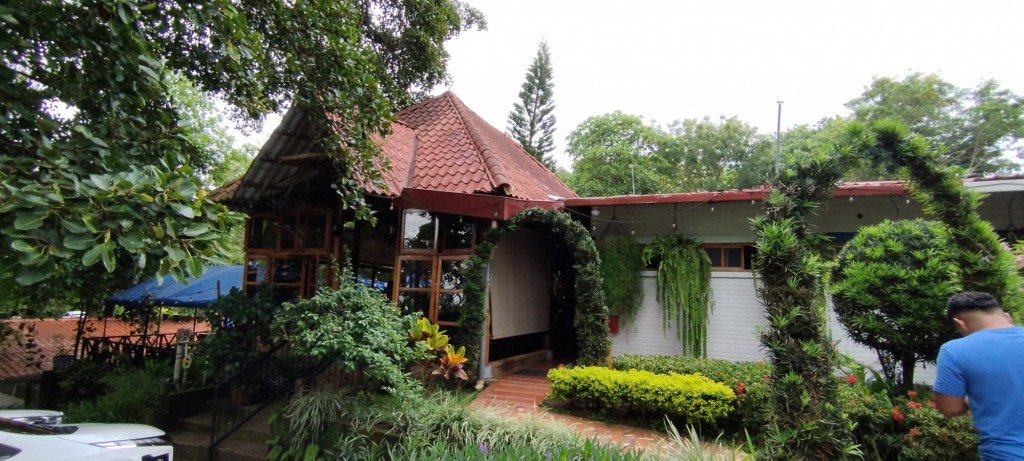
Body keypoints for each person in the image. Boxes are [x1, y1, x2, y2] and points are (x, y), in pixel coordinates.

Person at [933, 291, 1024, 460]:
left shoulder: (954, 351)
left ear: (959, 323)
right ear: (1006, 316)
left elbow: (950, 408)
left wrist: (974, 397)